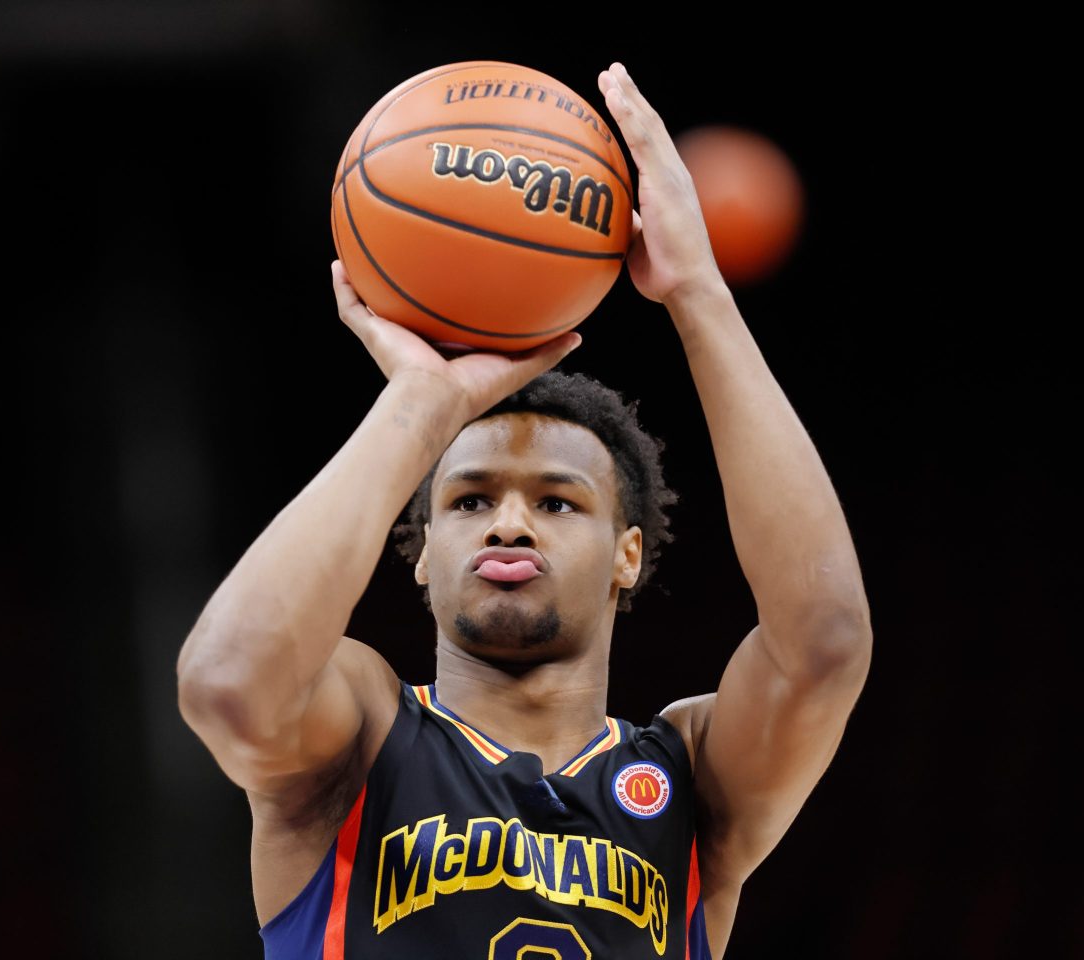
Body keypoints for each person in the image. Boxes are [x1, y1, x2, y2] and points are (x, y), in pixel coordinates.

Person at [177, 62, 871, 959]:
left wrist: (698, 293)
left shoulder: (691, 778)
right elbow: (227, 682)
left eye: (556, 500)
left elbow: (825, 643)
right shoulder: (360, 740)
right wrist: (421, 403)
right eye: (469, 499)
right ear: (422, 550)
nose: (509, 523)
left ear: (627, 554)